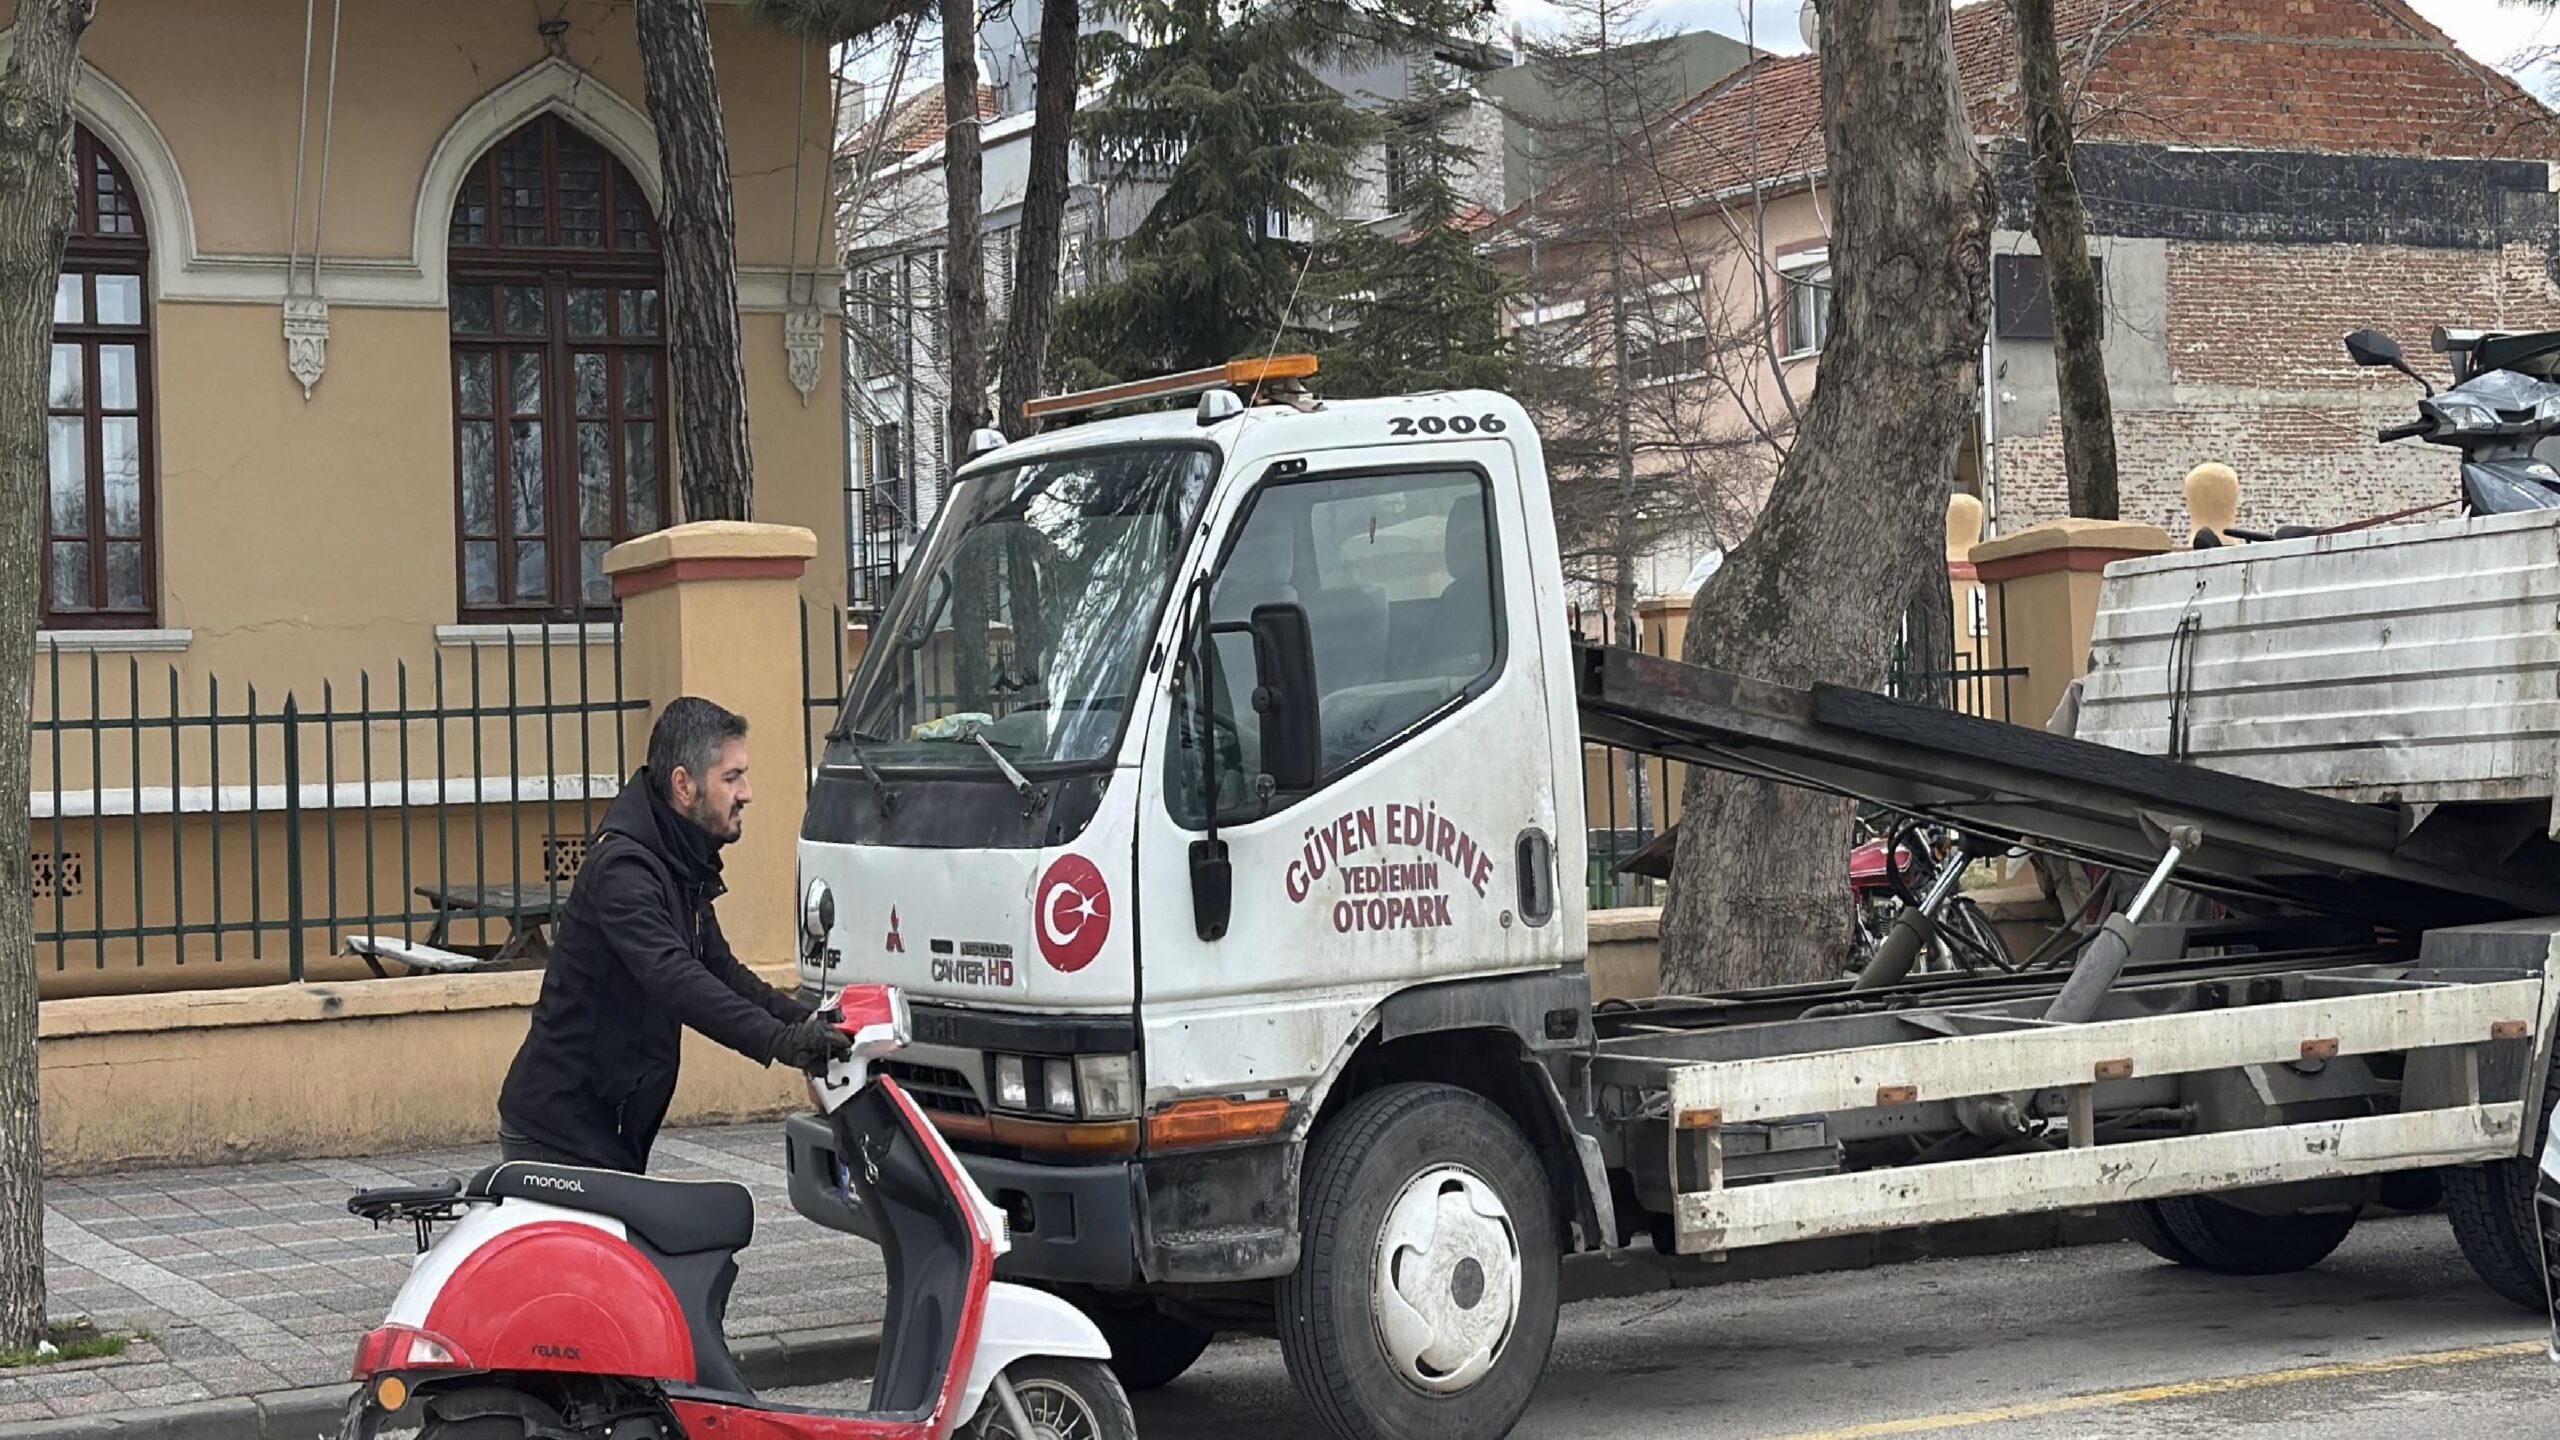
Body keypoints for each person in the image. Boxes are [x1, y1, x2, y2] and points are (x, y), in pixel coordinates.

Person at [497, 697, 851, 1172]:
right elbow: (673, 976)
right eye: (731, 777)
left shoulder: (676, 857)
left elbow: (717, 968)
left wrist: (808, 1021)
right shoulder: (624, 868)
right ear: (683, 785)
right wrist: (781, 1041)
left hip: (606, 1126)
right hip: (560, 1133)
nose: (747, 792)